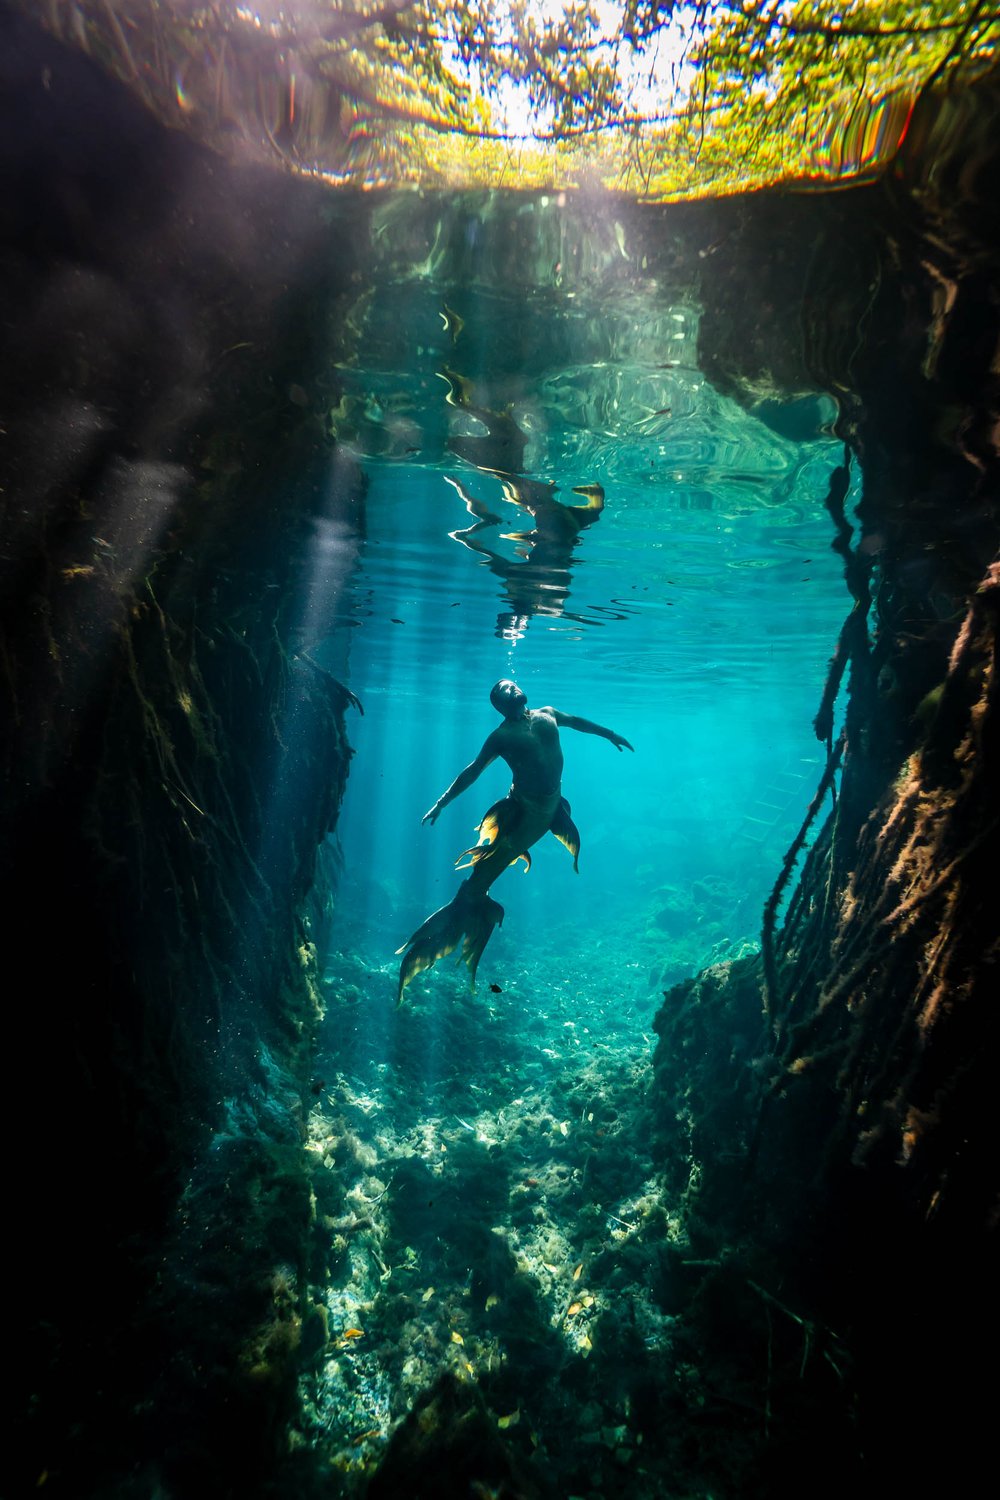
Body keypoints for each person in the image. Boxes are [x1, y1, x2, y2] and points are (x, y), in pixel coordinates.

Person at [396, 680, 633, 1001]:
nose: (511, 688)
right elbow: (473, 770)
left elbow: (576, 722)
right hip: (525, 811)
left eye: (512, 684)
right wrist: (441, 803)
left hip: (550, 806)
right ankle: (465, 905)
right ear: (498, 704)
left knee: (510, 854)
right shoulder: (501, 737)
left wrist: (610, 734)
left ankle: (469, 902)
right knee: (488, 870)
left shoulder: (547, 714)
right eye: (503, 690)